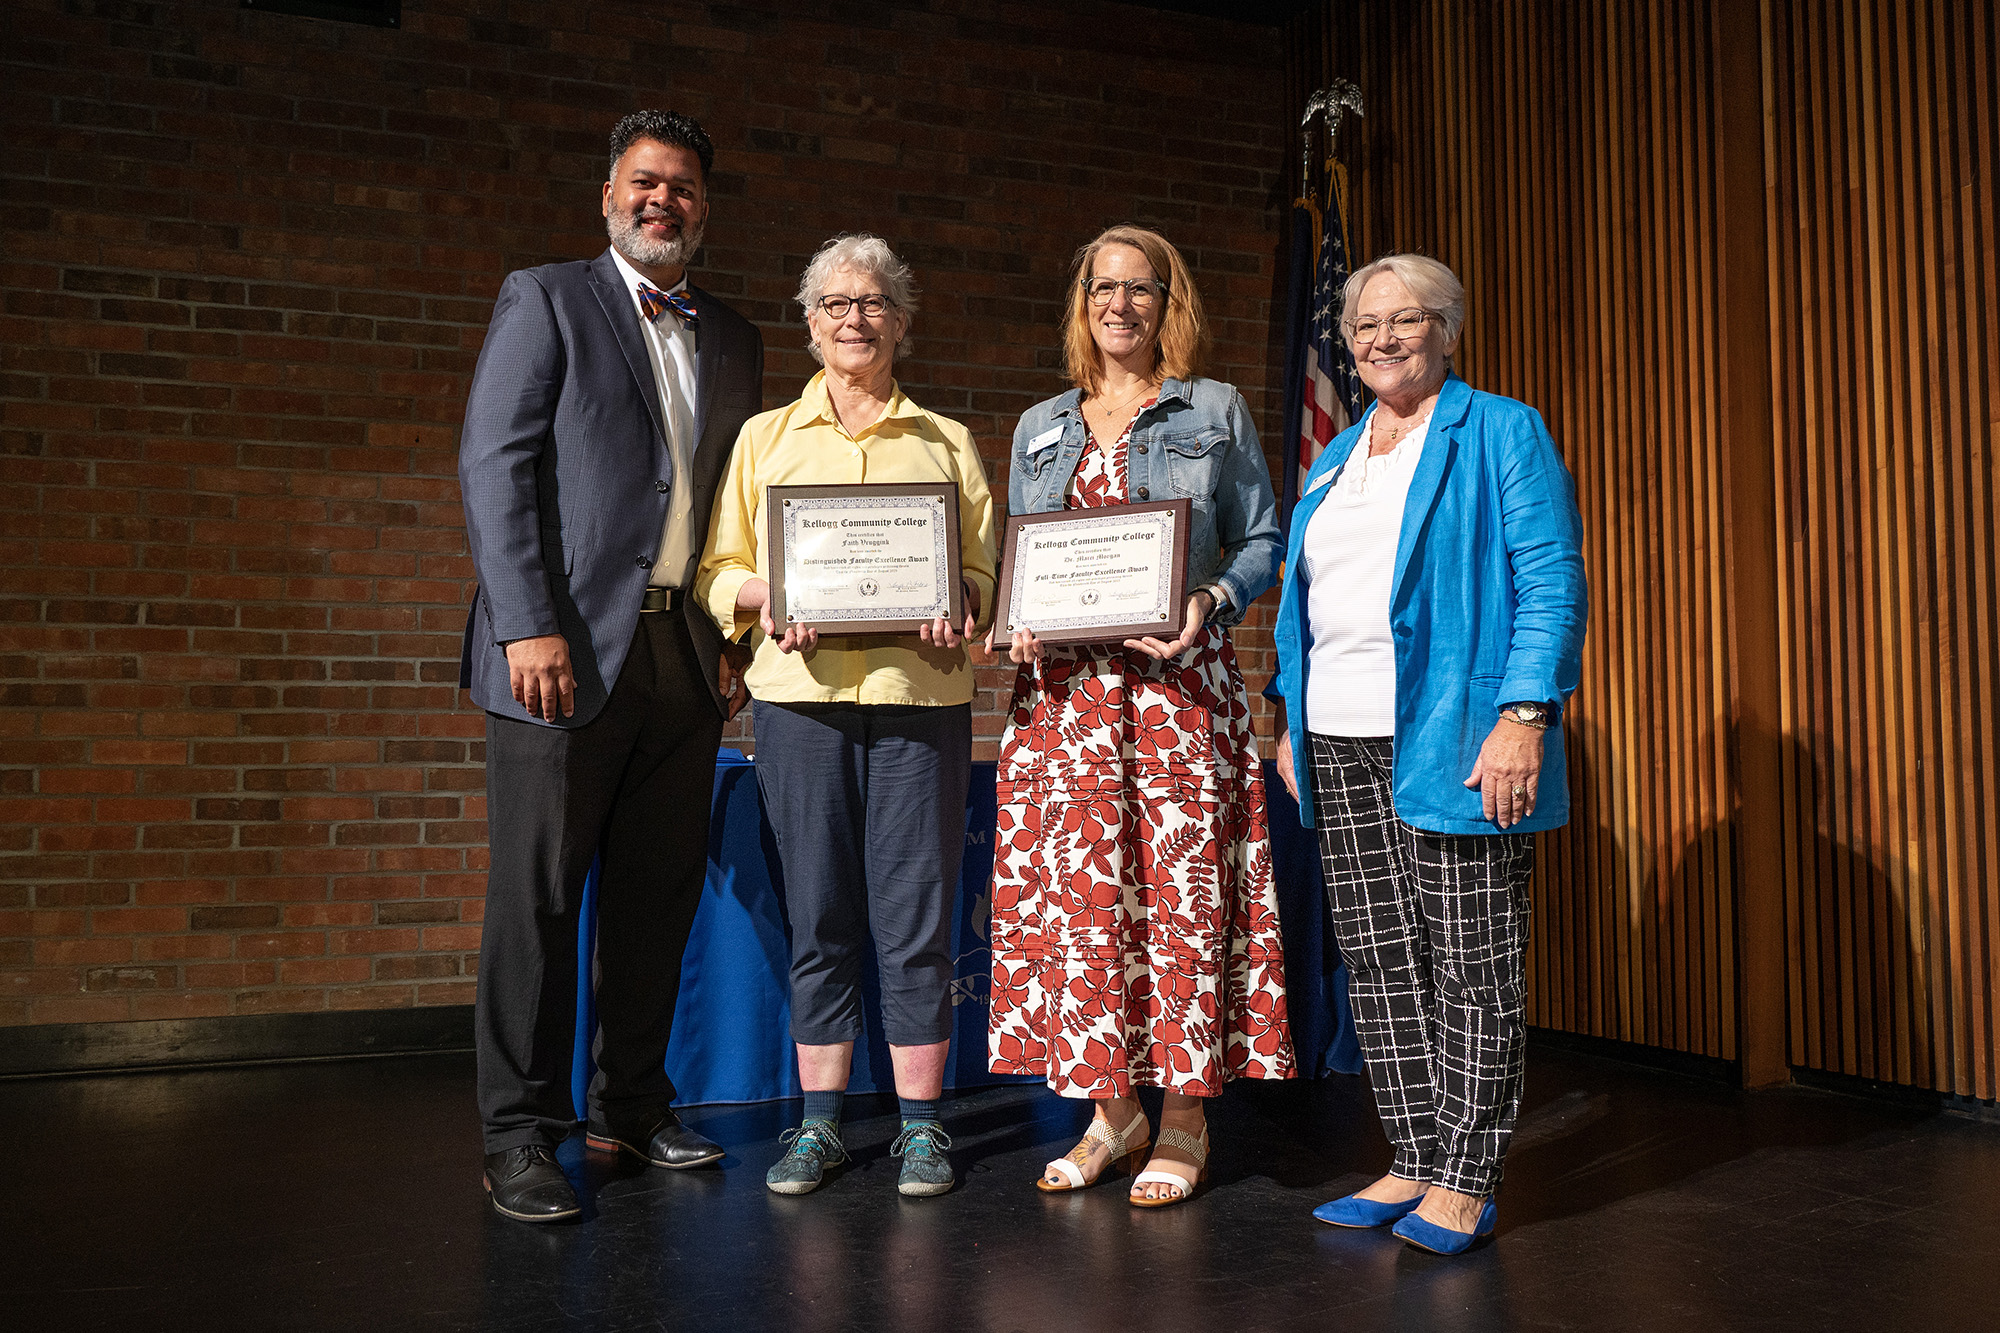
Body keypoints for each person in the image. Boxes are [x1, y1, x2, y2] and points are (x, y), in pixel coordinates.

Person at [457, 110, 765, 1224]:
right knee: (536, 901)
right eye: (644, 183)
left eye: (682, 188)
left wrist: (733, 638)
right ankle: (520, 1134)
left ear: (702, 207)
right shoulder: (544, 298)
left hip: (682, 655)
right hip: (560, 655)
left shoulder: (732, 335)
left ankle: (629, 1102)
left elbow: (734, 507)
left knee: (653, 897)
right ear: (607, 195)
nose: (661, 202)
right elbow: (494, 466)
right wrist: (525, 623)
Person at [1268, 253, 1587, 1254]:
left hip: (1454, 734)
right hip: (1336, 733)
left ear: (1447, 328)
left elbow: (1550, 579)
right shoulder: (1336, 454)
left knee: (1470, 961)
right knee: (1378, 961)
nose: (1379, 339)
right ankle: (1409, 1152)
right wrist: (1289, 714)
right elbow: (1307, 604)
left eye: (1404, 320)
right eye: (1364, 325)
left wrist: (1522, 714)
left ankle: (1464, 1174)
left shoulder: (1499, 429)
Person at [985, 225, 1295, 1208]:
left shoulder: (1211, 410)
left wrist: (1208, 600)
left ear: (1168, 303)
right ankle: (1108, 1112)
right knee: (1085, 910)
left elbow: (1259, 536)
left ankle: (1186, 1119)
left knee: (1180, 903)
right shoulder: (1040, 424)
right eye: (1101, 288)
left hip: (1176, 697)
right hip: (1066, 709)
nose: (1119, 305)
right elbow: (1021, 565)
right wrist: (1015, 625)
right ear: (1081, 303)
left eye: (1140, 289)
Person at [695, 234, 997, 1199]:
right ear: (810, 322)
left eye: (872, 304)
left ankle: (921, 1128)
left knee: (915, 916)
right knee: (819, 910)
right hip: (799, 703)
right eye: (834, 304)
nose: (853, 319)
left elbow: (988, 573)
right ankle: (819, 1125)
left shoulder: (945, 441)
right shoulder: (762, 439)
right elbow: (715, 571)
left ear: (900, 321)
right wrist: (760, 593)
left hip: (918, 699)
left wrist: (967, 597)